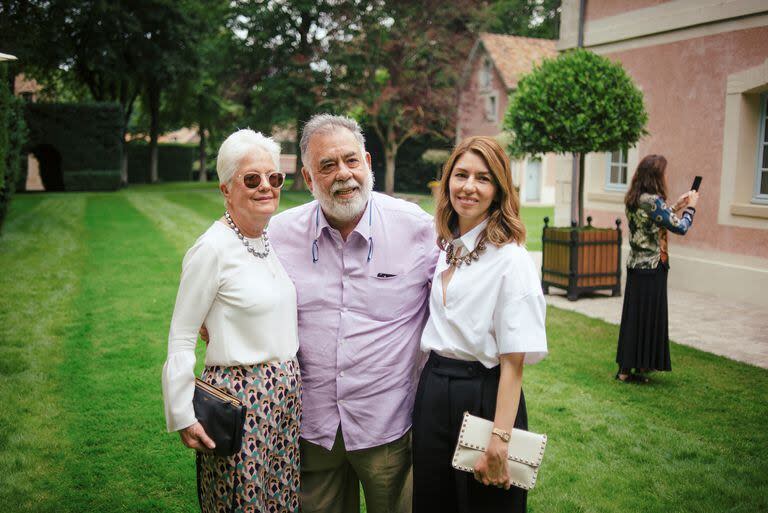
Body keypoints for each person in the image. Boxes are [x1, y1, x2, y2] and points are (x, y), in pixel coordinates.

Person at [268, 114, 438, 513]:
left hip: (387, 428)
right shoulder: (277, 235)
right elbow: (239, 281)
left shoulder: (418, 229)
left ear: (367, 163)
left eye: (351, 161)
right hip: (313, 430)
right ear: (309, 180)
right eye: (327, 166)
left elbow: (460, 297)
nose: (343, 174)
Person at [162, 129, 302, 513]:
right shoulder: (212, 249)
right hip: (238, 402)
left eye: (274, 178)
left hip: (284, 400)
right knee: (241, 503)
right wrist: (182, 414)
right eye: (252, 179)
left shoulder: (265, 238)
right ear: (226, 189)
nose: (266, 187)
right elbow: (182, 335)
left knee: (280, 501)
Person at [411, 136, 548, 513]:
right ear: (448, 182)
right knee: (432, 501)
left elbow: (513, 362)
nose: (469, 186)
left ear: (498, 189)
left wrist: (500, 438)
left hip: (483, 394)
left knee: (485, 505)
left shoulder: (511, 260)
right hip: (434, 391)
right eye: (461, 175)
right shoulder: (447, 248)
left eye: (483, 178)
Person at [615, 154, 698, 383]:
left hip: (635, 265)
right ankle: (641, 367)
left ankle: (625, 369)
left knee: (634, 318)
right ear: (655, 176)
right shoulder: (653, 201)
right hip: (652, 267)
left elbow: (653, 221)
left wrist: (677, 205)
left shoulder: (635, 198)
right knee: (648, 319)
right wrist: (690, 209)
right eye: (663, 172)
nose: (666, 176)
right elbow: (679, 227)